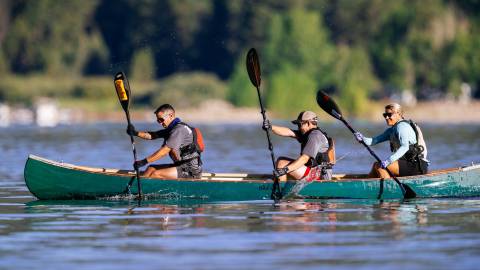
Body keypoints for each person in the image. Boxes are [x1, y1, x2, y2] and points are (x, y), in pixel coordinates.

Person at [126, 104, 203, 179]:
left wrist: (143, 162)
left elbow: (164, 151)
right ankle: (139, 188)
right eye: (158, 120)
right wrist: (135, 133)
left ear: (171, 116)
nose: (160, 123)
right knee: (151, 169)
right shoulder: (171, 129)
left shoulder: (179, 130)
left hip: (190, 170)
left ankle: (149, 190)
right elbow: (152, 135)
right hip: (180, 165)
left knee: (156, 174)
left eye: (161, 119)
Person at [354, 103, 428, 178]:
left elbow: (405, 147)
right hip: (407, 163)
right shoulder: (392, 130)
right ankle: (367, 186)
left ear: (398, 114)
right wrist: (362, 138)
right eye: (384, 115)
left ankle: (389, 187)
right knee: (375, 165)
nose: (386, 117)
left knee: (379, 166)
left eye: (389, 114)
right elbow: (373, 141)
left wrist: (389, 161)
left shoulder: (402, 127)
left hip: (416, 165)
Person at [263, 111, 335, 182]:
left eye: (300, 125)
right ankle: (280, 182)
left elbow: (304, 159)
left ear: (308, 123)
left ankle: (279, 191)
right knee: (281, 160)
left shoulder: (314, 136)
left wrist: (285, 170)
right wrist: (270, 127)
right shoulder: (308, 133)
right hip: (314, 170)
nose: (298, 128)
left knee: (282, 163)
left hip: (320, 175)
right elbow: (289, 132)